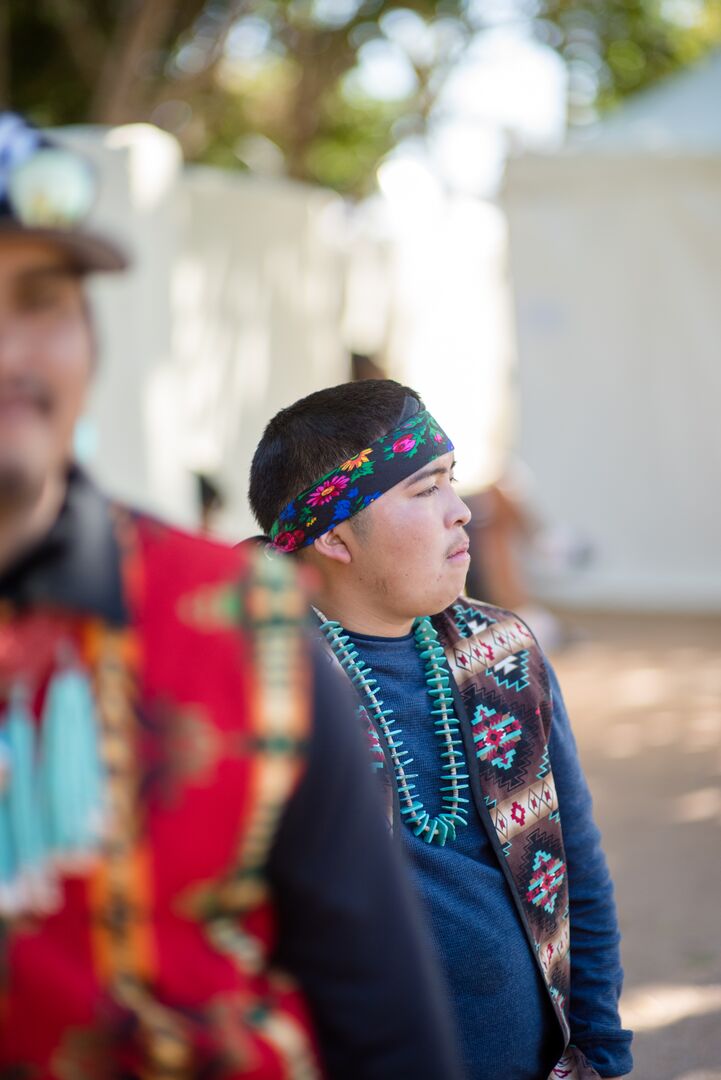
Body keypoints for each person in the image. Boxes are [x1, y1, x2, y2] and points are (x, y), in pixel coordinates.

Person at [0, 114, 465, 1079]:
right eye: (427, 489)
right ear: (332, 538)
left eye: (40, 299)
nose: (10, 354)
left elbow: (384, 1020)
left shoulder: (239, 627)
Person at [249, 379, 634, 1080]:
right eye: (425, 490)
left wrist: (602, 1054)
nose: (461, 513)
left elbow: (578, 866)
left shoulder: (505, 654)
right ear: (334, 534)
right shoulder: (254, 679)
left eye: (451, 482)